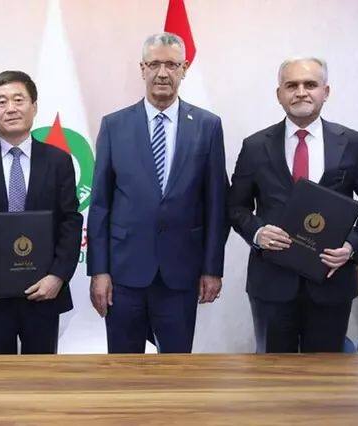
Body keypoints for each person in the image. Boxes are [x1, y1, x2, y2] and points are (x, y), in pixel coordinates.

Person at [228, 57, 358, 353]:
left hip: (331, 283)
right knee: (272, 374)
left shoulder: (352, 143)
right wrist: (257, 233)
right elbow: (235, 207)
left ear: (325, 92)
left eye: (310, 84)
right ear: (279, 94)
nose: (301, 92)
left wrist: (352, 246)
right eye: (291, 85)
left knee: (325, 376)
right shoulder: (255, 146)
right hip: (271, 285)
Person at [87, 32, 229, 353]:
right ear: (142, 69)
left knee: (177, 368)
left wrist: (212, 268)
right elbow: (100, 205)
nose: (162, 73)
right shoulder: (114, 125)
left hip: (181, 272)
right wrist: (99, 271)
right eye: (154, 64)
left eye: (171, 65)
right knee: (123, 367)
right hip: (124, 273)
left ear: (184, 69)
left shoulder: (207, 126)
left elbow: (216, 204)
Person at [0, 70, 82, 354]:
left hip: (44, 291)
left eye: (18, 99)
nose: (10, 108)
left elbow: (70, 223)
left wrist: (57, 276)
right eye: (1, 102)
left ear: (34, 106)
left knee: (41, 374)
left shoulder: (58, 160)